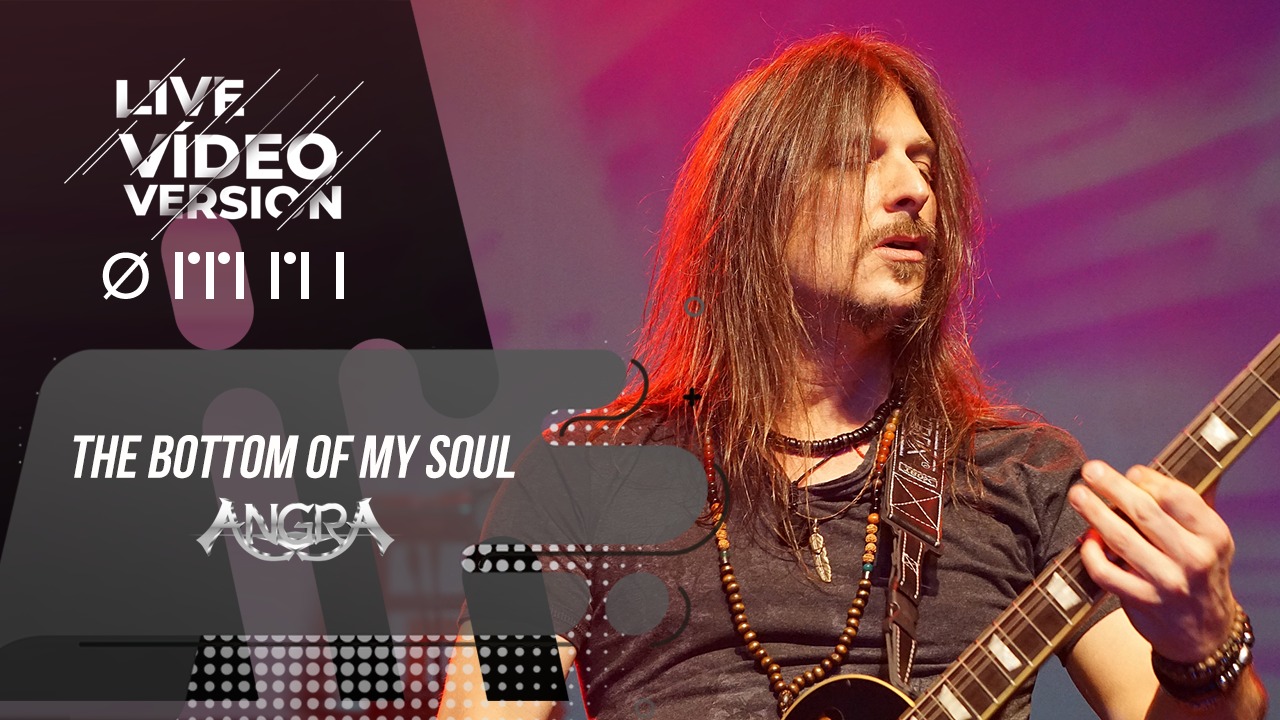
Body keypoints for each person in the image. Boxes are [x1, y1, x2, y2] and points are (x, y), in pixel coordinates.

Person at [440, 32, 1269, 719]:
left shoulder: (1028, 478)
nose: (913, 190)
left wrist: (1206, 649)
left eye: (923, 163)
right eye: (858, 158)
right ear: (756, 208)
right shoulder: (573, 475)